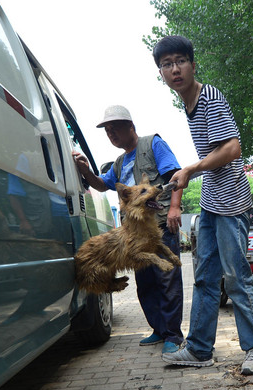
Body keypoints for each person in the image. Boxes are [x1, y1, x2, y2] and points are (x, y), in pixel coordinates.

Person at [153, 35, 253, 375]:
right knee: (204, 279)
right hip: (210, 203)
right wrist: (188, 174)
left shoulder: (210, 98)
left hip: (231, 203)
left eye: (180, 61)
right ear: (160, 72)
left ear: (192, 63)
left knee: (236, 278)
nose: (175, 69)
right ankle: (200, 349)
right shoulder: (187, 103)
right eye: (166, 64)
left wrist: (191, 168)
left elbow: (232, 149)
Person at [72, 105, 184, 354]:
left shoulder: (153, 143)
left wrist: (175, 208)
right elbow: (103, 185)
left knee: (167, 280)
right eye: (107, 131)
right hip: (133, 234)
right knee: (145, 283)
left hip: (160, 222)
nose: (110, 134)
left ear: (129, 126)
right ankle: (158, 329)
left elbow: (175, 176)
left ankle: (173, 336)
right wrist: (86, 170)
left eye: (114, 128)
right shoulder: (120, 162)